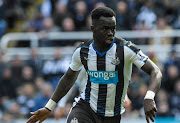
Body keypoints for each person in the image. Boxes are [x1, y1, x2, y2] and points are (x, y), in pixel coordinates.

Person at [26, 7, 162, 123]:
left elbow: (155, 71)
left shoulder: (125, 49)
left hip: (112, 115)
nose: (110, 33)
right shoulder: (82, 51)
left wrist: (149, 96)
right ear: (93, 28)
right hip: (86, 108)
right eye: (105, 29)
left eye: (113, 29)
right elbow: (68, 78)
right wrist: (49, 106)